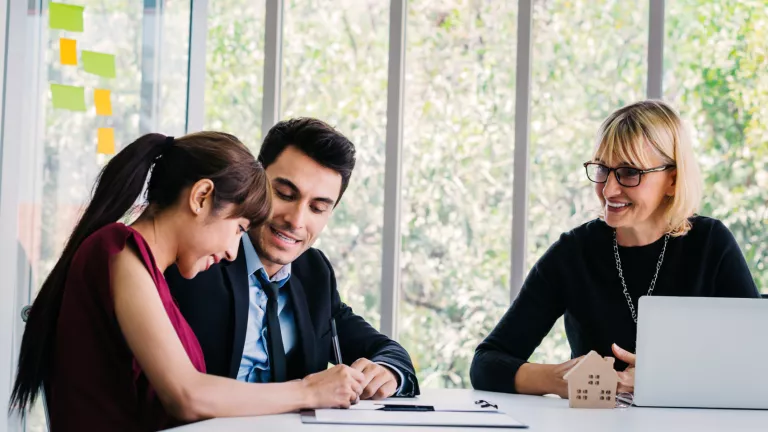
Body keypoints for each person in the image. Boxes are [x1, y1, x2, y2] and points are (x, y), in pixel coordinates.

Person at [10, 132, 367, 432]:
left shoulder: (146, 270)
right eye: (238, 229)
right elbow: (186, 396)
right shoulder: (119, 252)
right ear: (200, 198)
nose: (232, 251)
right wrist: (308, 392)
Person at [470, 100, 759, 398]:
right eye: (602, 169)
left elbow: (757, 363)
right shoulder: (574, 252)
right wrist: (560, 379)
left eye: (629, 173)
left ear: (672, 180)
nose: (608, 190)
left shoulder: (711, 243)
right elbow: (486, 364)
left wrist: (660, 379)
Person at [166, 118, 420, 399]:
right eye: (285, 194)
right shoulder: (200, 256)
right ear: (256, 182)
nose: (296, 221)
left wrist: (387, 370)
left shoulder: (313, 273)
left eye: (317, 207)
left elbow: (386, 351)